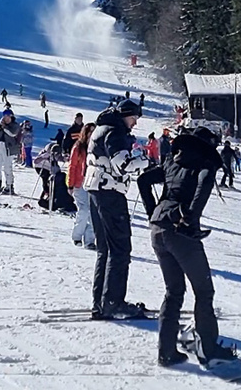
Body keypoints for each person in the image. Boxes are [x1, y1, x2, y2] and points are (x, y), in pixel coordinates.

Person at [137, 127, 237, 369]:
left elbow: (143, 179)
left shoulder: (174, 159)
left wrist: (153, 211)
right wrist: (189, 218)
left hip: (158, 229)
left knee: (174, 291)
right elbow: (202, 189)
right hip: (180, 232)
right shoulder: (204, 163)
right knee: (204, 291)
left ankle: (167, 351)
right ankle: (209, 350)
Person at [85, 99, 150, 319]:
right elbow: (123, 164)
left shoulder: (100, 129)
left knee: (105, 249)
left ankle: (101, 302)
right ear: (125, 115)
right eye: (134, 118)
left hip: (96, 191)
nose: (134, 123)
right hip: (109, 192)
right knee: (120, 248)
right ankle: (113, 301)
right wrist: (144, 162)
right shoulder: (114, 132)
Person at [68, 123, 97, 249]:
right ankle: (77, 235)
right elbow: (72, 166)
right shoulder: (78, 147)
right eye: (89, 132)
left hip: (93, 183)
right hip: (80, 182)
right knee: (84, 210)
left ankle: (90, 240)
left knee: (93, 213)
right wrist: (70, 184)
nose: (91, 134)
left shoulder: (97, 147)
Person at [0, 110, 20, 194]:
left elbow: (12, 134)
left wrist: (4, 127)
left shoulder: (15, 125)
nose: (7, 119)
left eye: (8, 117)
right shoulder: (0, 125)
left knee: (7, 167)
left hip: (9, 148)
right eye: (5, 117)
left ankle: (9, 185)